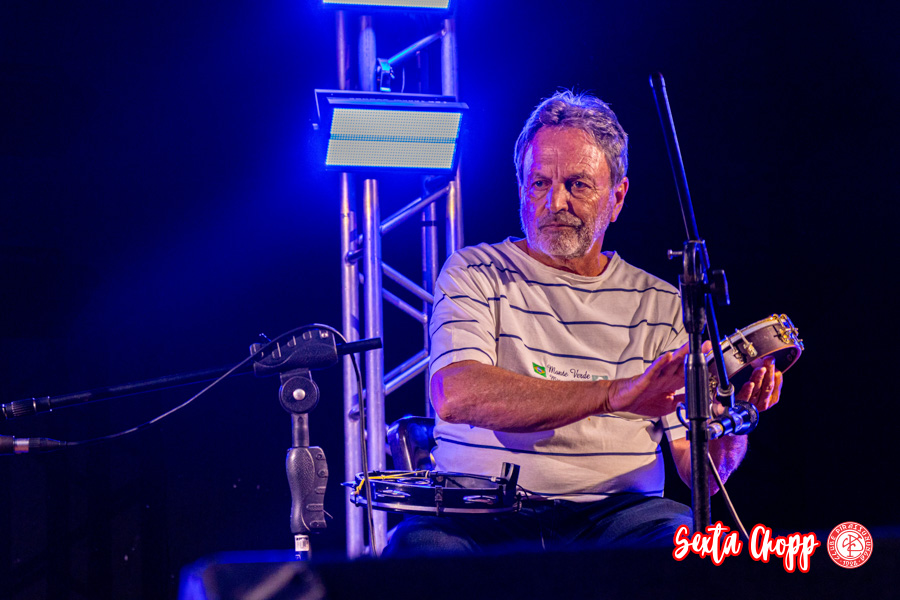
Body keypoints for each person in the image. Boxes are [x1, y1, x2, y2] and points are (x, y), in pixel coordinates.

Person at [384, 90, 782, 556]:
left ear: (617, 197)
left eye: (577, 185)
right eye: (539, 183)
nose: (555, 202)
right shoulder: (475, 271)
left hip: (620, 516)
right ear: (521, 188)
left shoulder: (661, 302)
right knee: (420, 550)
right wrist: (615, 394)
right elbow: (457, 395)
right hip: (481, 513)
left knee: (691, 549)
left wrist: (731, 425)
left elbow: (700, 475)